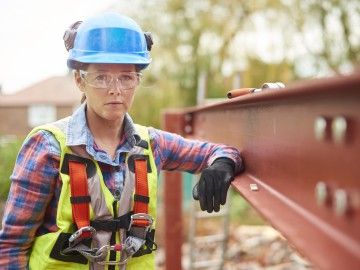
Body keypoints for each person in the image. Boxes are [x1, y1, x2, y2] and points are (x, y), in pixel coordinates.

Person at [0, 12, 244, 270]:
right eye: (101, 77)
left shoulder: (152, 143)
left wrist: (223, 163)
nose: (115, 89)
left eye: (126, 77)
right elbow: (11, 248)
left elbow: (217, 152)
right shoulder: (47, 147)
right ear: (79, 80)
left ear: (138, 80)